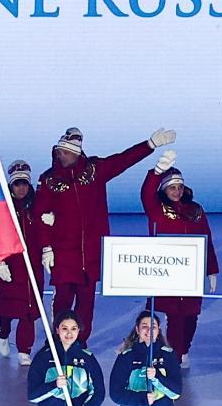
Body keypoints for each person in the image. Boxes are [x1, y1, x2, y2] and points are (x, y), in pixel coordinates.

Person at [36, 126, 176, 344]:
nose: (61, 156)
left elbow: (123, 160)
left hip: (91, 254)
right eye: (59, 152)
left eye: (65, 152)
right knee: (62, 301)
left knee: (86, 304)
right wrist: (46, 247)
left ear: (76, 153)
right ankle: (55, 345)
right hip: (63, 254)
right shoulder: (49, 180)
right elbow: (39, 215)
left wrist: (150, 144)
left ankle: (80, 344)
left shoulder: (95, 170)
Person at [139, 150, 219, 369]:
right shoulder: (158, 210)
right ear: (164, 188)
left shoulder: (195, 210)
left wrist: (211, 269)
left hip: (190, 272)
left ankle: (183, 351)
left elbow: (207, 239)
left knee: (191, 315)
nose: (176, 191)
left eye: (179, 187)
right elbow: (146, 192)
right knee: (174, 314)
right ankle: (171, 354)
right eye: (172, 187)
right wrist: (156, 172)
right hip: (165, 270)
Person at [0, 160, 43, 366]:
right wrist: (0, 263)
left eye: (24, 183)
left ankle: (24, 349)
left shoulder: (38, 204)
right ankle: (3, 334)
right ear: (11, 185)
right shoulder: (2, 207)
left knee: (29, 310)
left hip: (32, 266)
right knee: (8, 308)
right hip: (10, 266)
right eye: (17, 184)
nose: (21, 188)